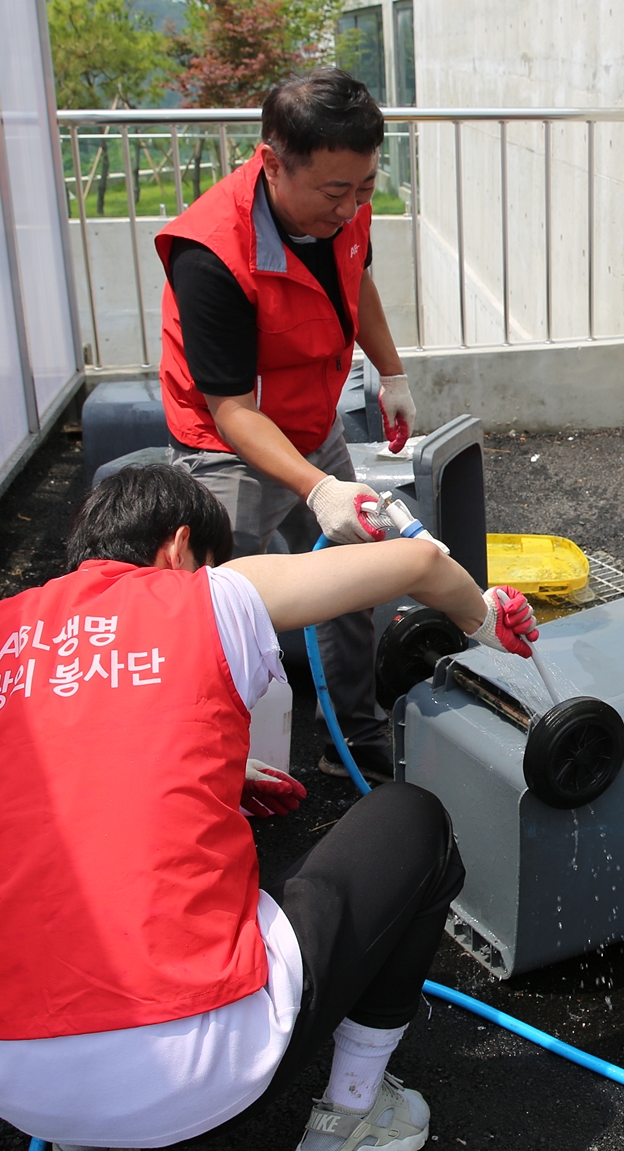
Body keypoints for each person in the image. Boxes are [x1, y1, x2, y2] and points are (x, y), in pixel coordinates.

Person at [0, 465, 539, 1149]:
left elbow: (34, 780)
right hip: (195, 1067)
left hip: (3, 1070)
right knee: (411, 821)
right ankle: (356, 1113)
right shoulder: (206, 595)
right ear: (179, 548)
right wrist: (485, 620)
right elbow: (420, 559)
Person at [155, 68, 414, 784]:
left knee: (353, 578)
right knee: (212, 609)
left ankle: (352, 736)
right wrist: (318, 488)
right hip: (227, 449)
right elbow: (233, 411)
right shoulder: (212, 253)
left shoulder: (343, 203)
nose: (353, 206)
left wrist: (390, 375)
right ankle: (201, 769)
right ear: (272, 164)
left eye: (365, 188)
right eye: (337, 192)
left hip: (310, 419)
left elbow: (356, 276)